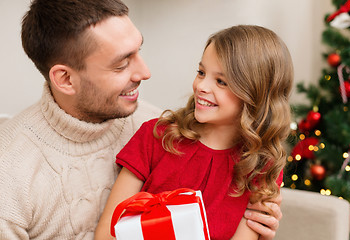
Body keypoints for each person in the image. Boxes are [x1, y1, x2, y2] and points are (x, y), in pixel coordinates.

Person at [0, 0, 283, 239]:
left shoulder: (155, 121)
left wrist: (260, 226)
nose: (145, 72)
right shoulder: (10, 174)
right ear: (65, 78)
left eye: (139, 50)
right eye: (121, 63)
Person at [95, 25, 293, 240]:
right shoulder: (157, 136)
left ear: (255, 95)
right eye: (201, 72)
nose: (201, 86)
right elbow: (108, 232)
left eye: (221, 81)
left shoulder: (262, 166)